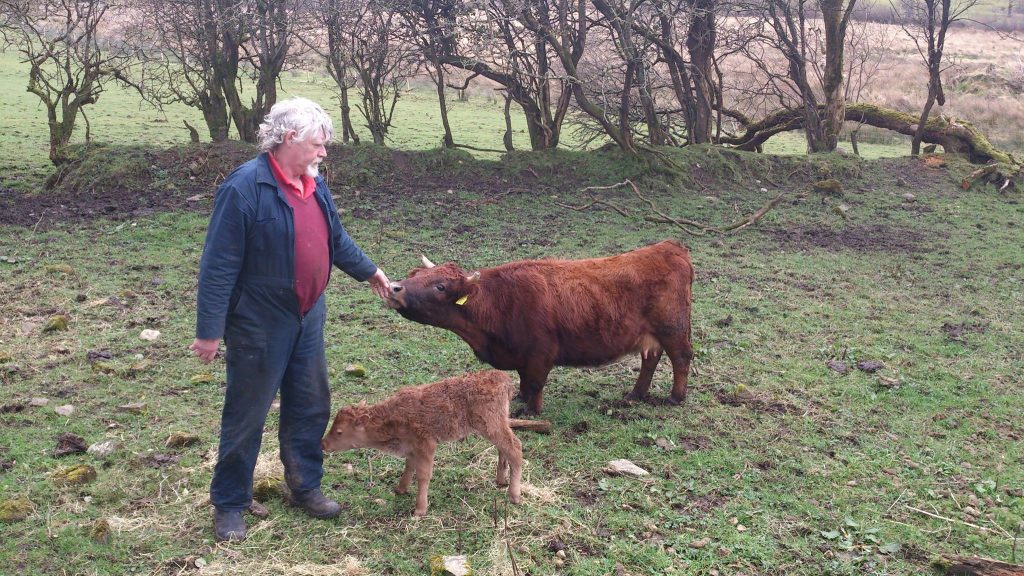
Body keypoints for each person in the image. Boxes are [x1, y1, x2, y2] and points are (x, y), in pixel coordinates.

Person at [189, 97, 390, 542]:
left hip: (307, 317)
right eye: (318, 144)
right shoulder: (244, 189)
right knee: (247, 414)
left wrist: (369, 270)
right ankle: (230, 502)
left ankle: (305, 486)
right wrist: (209, 331)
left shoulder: (314, 183)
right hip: (259, 320)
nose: (323, 153)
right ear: (289, 138)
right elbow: (218, 265)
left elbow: (334, 239)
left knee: (309, 404)